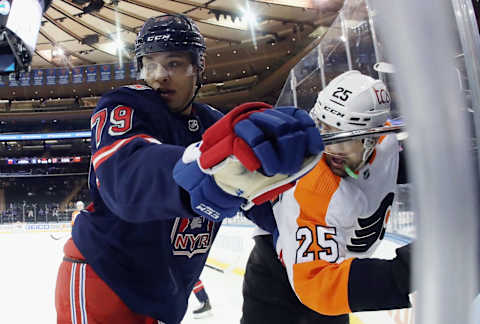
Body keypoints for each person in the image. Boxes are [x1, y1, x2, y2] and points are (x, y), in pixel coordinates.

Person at [55, 13, 324, 324]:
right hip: (103, 278)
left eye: (174, 64)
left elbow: (272, 206)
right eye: (150, 63)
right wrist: (205, 168)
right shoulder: (124, 105)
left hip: (164, 294)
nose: (159, 76)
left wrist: (310, 196)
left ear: (199, 67)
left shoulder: (214, 124)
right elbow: (128, 176)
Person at [241, 70, 412, 324]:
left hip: (337, 263)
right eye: (325, 131)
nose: (332, 149)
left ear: (373, 138)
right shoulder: (314, 187)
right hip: (279, 285)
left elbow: (404, 164)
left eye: (346, 138)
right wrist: (413, 269)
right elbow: (318, 284)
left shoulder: (386, 144)